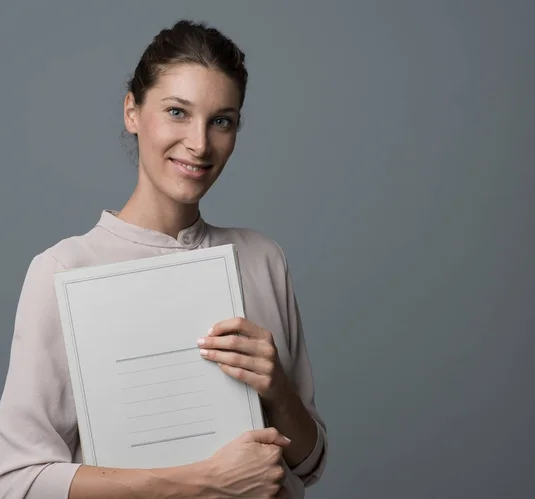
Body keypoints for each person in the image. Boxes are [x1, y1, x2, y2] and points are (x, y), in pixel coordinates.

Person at [0, 19, 327, 499]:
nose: (199, 143)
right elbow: (17, 480)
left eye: (222, 120)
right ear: (132, 111)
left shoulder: (261, 258)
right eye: (177, 112)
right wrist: (202, 481)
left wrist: (278, 391)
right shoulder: (64, 270)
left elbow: (311, 463)